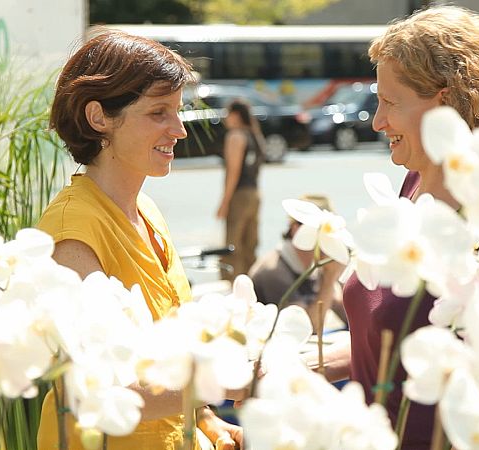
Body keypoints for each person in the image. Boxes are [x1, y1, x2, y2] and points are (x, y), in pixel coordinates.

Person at [306, 7, 479, 449]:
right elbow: (401, 337)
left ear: (444, 103)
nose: (377, 121)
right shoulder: (413, 184)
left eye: (390, 102)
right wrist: (318, 363)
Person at [35, 30, 242, 450]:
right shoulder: (72, 230)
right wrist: (229, 378)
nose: (179, 130)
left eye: (178, 111)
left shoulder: (146, 210)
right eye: (158, 113)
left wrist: (208, 421)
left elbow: (170, 351)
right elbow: (104, 390)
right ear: (99, 118)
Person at [248, 194, 347, 329]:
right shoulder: (274, 271)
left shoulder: (315, 265)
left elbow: (348, 315)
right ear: (296, 229)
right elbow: (307, 328)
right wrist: (329, 280)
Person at [216, 99, 264, 282]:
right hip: (254, 193)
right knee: (249, 244)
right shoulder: (254, 135)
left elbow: (233, 172)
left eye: (227, 114)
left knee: (233, 244)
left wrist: (224, 202)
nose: (225, 118)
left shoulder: (235, 136)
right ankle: (251, 282)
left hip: (240, 194)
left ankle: (231, 283)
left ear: (236, 115)